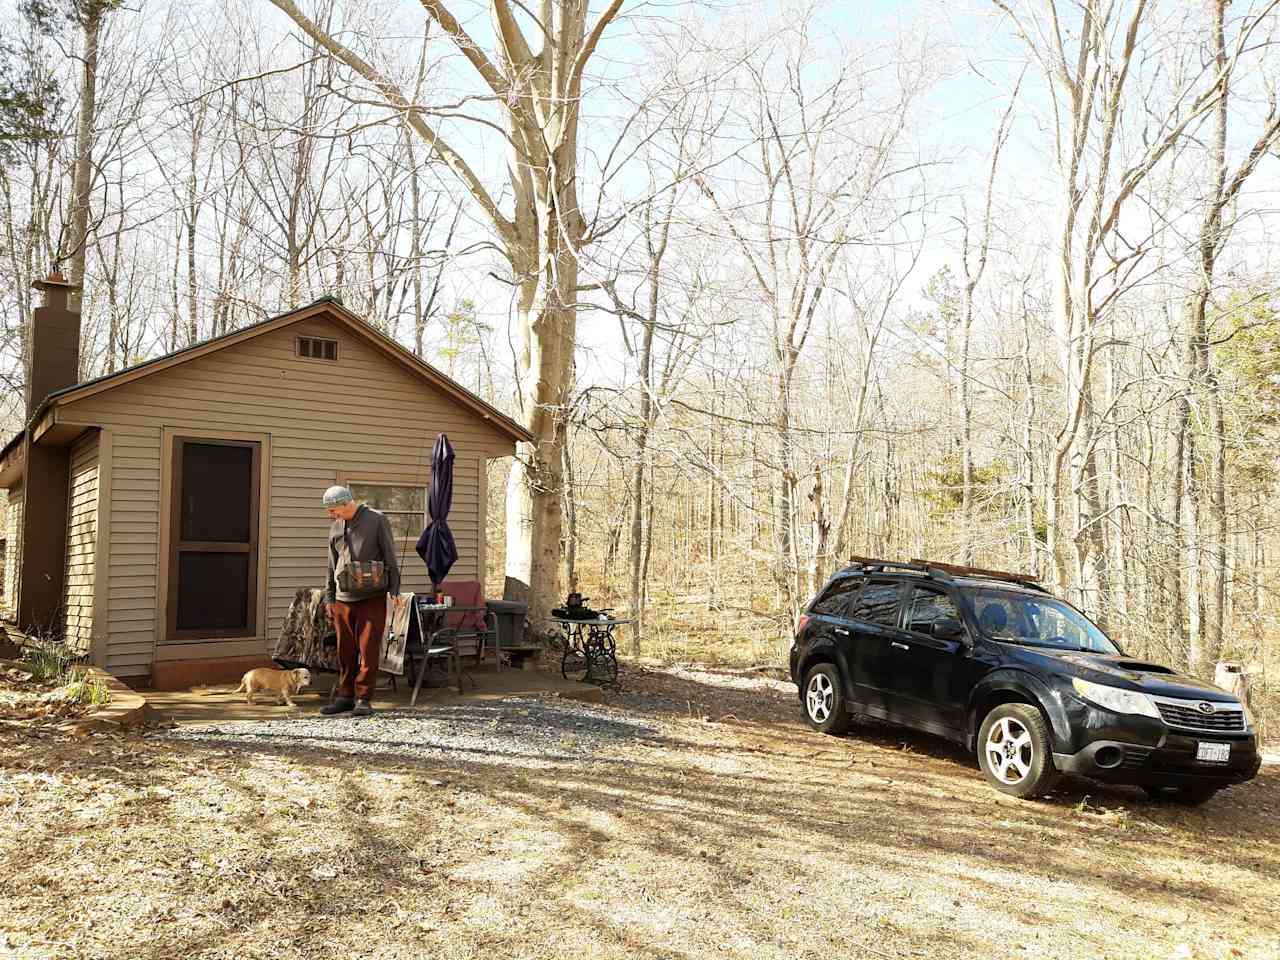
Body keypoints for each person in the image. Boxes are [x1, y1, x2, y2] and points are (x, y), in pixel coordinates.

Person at [320, 485, 401, 717]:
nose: (331, 515)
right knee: (344, 651)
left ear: (347, 503)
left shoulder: (376, 520)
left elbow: (390, 556)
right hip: (342, 600)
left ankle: (364, 699)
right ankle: (345, 697)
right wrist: (330, 597)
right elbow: (330, 565)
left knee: (368, 649)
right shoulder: (335, 527)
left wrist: (394, 589)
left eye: (334, 510)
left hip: (371, 597)